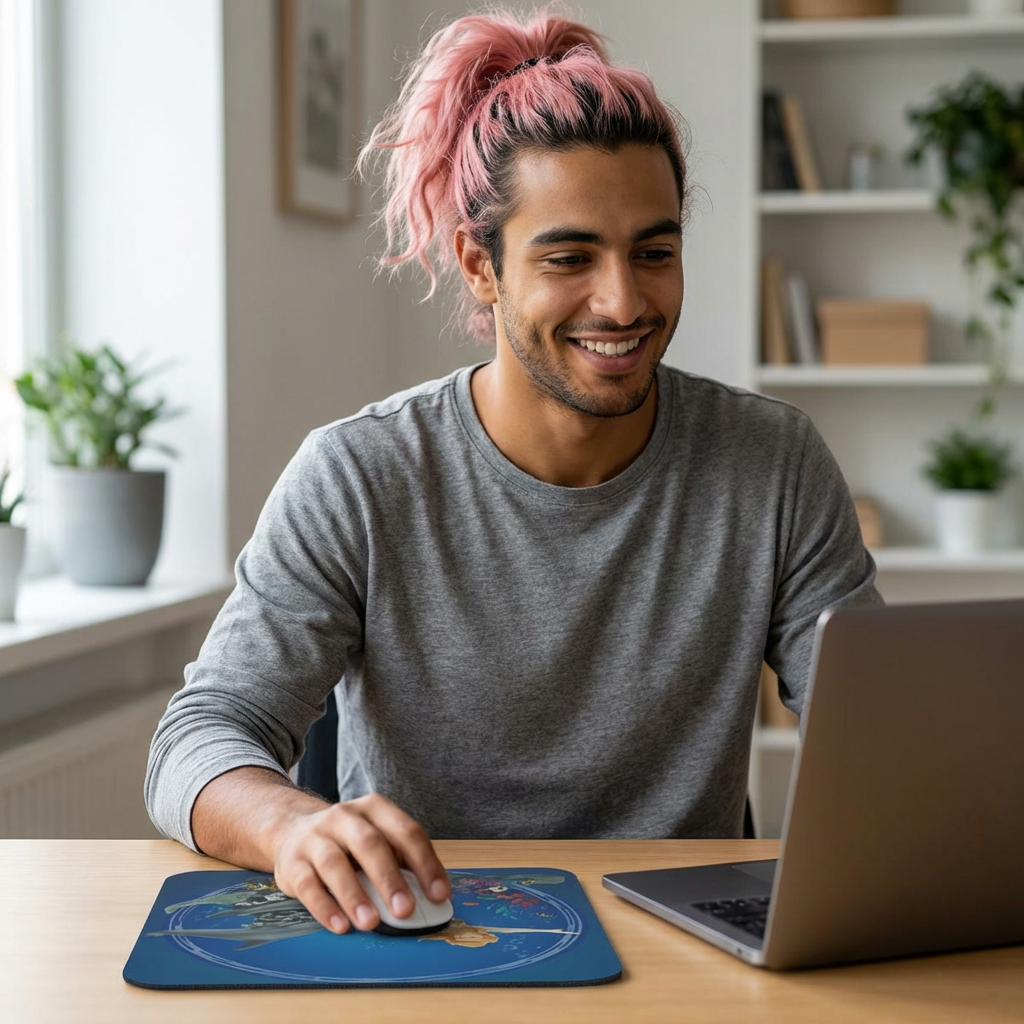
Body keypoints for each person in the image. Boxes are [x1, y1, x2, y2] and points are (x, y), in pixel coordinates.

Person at [146, 8, 881, 940]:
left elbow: (877, 743)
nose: (623, 300)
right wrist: (292, 823)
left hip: (686, 957)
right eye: (570, 257)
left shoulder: (773, 465)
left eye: (654, 252)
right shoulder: (359, 475)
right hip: (431, 943)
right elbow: (196, 737)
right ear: (478, 264)